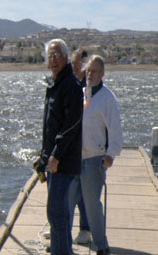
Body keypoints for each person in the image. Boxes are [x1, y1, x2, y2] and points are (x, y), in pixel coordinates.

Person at [34, 39, 83, 255]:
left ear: (65, 58)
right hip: (53, 161)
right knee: (59, 211)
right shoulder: (56, 85)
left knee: (56, 212)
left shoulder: (70, 86)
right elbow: (50, 126)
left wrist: (55, 154)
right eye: (49, 56)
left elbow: (71, 124)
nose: (52, 60)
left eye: (56, 55)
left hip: (63, 162)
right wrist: (44, 156)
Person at [69, 55, 123, 255]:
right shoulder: (82, 93)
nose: (90, 74)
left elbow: (115, 129)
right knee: (67, 201)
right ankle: (63, 244)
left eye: (94, 71)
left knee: (92, 204)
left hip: (95, 158)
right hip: (75, 157)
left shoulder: (107, 98)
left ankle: (101, 246)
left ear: (102, 74)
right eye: (88, 70)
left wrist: (111, 155)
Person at [70, 48, 92, 244]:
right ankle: (61, 227)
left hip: (88, 150)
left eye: (78, 63)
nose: (74, 67)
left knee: (85, 193)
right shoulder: (72, 85)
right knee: (68, 192)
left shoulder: (91, 89)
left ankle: (86, 228)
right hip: (71, 148)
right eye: (73, 63)